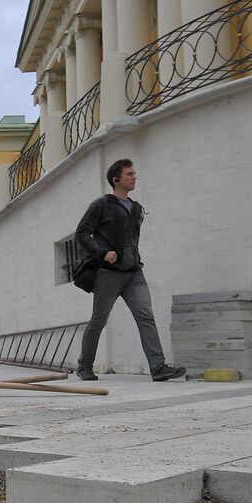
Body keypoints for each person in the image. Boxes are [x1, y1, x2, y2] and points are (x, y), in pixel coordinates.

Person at [74, 159, 185, 383]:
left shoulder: (135, 208)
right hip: (108, 273)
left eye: (135, 173)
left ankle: (158, 367)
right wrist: (102, 252)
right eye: (129, 174)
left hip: (134, 272)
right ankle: (84, 366)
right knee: (99, 320)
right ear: (116, 180)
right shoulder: (102, 204)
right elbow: (82, 233)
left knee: (146, 316)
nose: (135, 177)